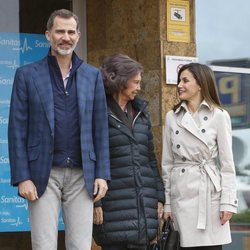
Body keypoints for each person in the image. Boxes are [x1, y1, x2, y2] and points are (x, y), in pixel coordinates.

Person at [8, 9, 110, 250]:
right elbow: (17, 130)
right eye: (60, 31)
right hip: (43, 174)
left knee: (80, 245)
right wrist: (23, 177)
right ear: (48, 35)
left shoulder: (92, 76)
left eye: (71, 32)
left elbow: (100, 129)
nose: (66, 37)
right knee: (43, 245)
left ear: (78, 35)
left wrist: (102, 174)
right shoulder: (27, 75)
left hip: (82, 174)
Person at [162, 63, 238, 250]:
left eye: (185, 80)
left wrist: (228, 202)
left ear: (201, 85)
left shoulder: (219, 116)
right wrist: (168, 203)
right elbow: (167, 164)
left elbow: (227, 164)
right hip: (181, 194)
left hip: (209, 197)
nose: (179, 84)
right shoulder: (172, 117)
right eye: (179, 80)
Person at [92, 54, 165, 250]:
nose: (139, 88)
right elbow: (91, 159)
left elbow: (150, 158)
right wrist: (95, 203)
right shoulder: (97, 110)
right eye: (136, 82)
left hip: (144, 209)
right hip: (112, 208)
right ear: (121, 80)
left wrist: (159, 197)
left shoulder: (141, 112)